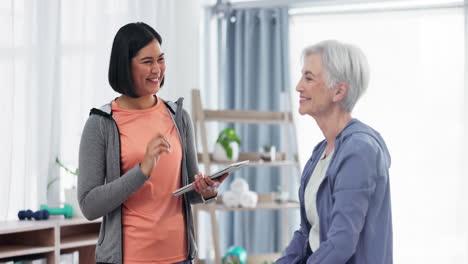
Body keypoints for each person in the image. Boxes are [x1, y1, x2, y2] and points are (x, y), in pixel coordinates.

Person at [78, 22, 227, 264]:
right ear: (124, 66)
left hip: (180, 258)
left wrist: (206, 192)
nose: (157, 69)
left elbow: (188, 191)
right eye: (147, 61)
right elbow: (89, 206)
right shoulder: (101, 123)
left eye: (161, 59)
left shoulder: (178, 117)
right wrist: (142, 170)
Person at [276, 40, 392, 264]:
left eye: (309, 78)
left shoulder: (359, 152)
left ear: (339, 91)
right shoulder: (321, 152)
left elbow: (341, 243)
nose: (299, 86)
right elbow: (307, 233)